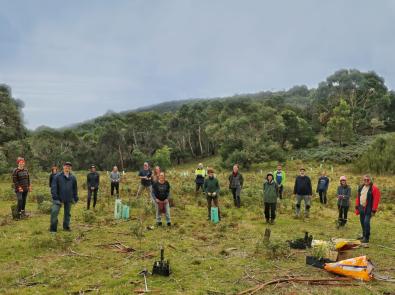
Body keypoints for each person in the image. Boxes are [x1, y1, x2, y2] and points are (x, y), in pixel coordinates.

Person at [50, 162, 78, 232]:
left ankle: (66, 227)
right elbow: (53, 187)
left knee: (67, 214)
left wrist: (75, 197)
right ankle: (53, 229)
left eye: (69, 167)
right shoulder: (57, 176)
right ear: (63, 167)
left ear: (70, 168)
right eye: (66, 166)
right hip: (58, 198)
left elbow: (75, 188)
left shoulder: (73, 177)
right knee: (54, 212)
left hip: (69, 198)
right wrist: (55, 197)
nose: (67, 168)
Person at [355, 175, 381, 244]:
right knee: (362, 222)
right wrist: (357, 206)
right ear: (363, 180)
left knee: (366, 222)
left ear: (370, 180)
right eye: (365, 180)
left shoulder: (374, 189)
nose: (366, 181)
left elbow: (376, 200)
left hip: (368, 209)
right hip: (361, 208)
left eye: (368, 180)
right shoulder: (361, 187)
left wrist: (374, 210)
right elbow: (358, 197)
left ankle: (366, 238)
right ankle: (363, 235)